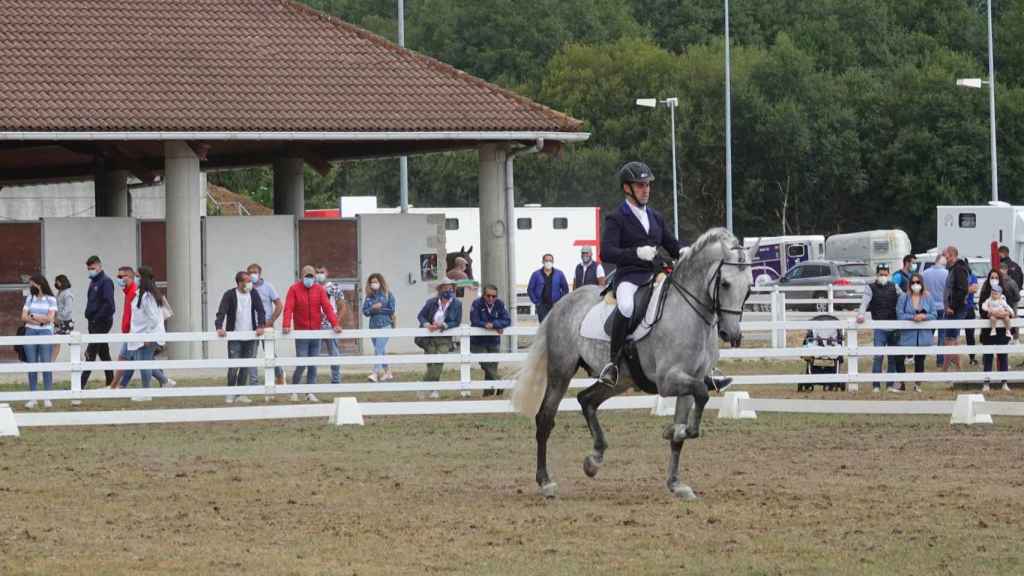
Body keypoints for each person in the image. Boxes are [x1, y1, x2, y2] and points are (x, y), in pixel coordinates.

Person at [597, 161, 696, 388]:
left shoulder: (655, 217)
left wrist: (684, 250)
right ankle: (613, 364)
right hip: (629, 277)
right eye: (640, 185)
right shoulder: (617, 217)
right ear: (627, 188)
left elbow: (671, 243)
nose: (646, 189)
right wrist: (636, 253)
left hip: (657, 276)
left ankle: (698, 363)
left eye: (648, 185)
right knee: (626, 307)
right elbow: (607, 252)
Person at [283, 265, 341, 402]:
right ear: (301, 277)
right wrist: (286, 324)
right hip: (301, 333)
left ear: (314, 277)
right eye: (306, 276)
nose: (309, 278)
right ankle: (294, 390)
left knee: (313, 364)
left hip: (316, 332)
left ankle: (310, 392)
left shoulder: (319, 290)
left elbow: (327, 307)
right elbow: (288, 308)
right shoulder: (294, 289)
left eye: (311, 276)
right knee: (302, 363)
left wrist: (335, 324)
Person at [113, 267, 173, 389]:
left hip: (147, 336)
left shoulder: (147, 296)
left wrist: (148, 336)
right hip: (139, 335)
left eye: (137, 276)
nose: (136, 279)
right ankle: (165, 382)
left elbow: (154, 319)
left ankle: (146, 392)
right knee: (142, 363)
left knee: (144, 364)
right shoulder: (140, 294)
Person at [215, 270, 266, 404]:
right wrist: (219, 327)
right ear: (239, 283)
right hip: (235, 335)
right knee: (233, 366)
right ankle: (230, 392)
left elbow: (260, 310)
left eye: (250, 281)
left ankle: (241, 393)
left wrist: (261, 325)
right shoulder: (229, 294)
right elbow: (222, 311)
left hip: (250, 335)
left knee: (246, 365)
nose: (250, 283)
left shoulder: (253, 293)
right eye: (247, 281)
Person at [856, 264, 902, 392]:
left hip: (894, 326)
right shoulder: (870, 288)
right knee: (878, 356)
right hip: (879, 327)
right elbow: (864, 302)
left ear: (889, 274)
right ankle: (876, 385)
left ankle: (890, 385)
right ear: (877, 274)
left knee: (893, 357)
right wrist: (860, 315)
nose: (883, 276)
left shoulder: (895, 287)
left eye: (885, 274)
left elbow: (904, 299)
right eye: (881, 274)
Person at [416, 279, 462, 392]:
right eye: (445, 288)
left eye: (450, 289)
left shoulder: (457, 303)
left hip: (444, 338)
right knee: (431, 363)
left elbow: (456, 321)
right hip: (429, 337)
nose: (448, 291)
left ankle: (422, 386)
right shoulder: (431, 302)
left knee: (438, 362)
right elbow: (421, 316)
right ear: (440, 290)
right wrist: (427, 324)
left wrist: (444, 325)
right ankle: (434, 390)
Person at [21, 274, 58, 409]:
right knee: (32, 365)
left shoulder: (51, 299)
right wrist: (38, 319)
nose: (31, 286)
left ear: (39, 284)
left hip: (45, 332)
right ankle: (33, 397)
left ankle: (48, 397)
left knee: (46, 364)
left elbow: (50, 318)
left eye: (32, 284)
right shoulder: (30, 298)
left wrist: (34, 316)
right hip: (30, 332)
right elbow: (23, 317)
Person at [897, 273, 937, 392]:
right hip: (907, 335)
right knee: (899, 358)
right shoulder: (904, 297)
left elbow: (934, 314)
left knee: (920, 360)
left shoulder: (928, 297)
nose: (915, 285)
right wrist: (912, 317)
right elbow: (899, 314)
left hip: (923, 335)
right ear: (909, 284)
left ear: (922, 284)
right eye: (913, 282)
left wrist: (924, 316)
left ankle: (917, 385)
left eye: (918, 282)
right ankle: (901, 383)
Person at [247, 263, 285, 387]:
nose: (252, 275)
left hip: (267, 325)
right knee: (251, 354)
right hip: (251, 326)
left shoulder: (268, 287)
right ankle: (253, 383)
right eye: (250, 272)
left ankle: (279, 375)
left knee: (270, 353)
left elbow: (279, 305)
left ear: (260, 273)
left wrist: (271, 321)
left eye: (255, 272)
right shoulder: (246, 287)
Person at [80, 255, 115, 389]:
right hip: (93, 322)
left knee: (90, 352)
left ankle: (80, 384)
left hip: (101, 322)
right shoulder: (93, 281)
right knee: (104, 353)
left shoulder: (105, 282)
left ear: (100, 266)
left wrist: (96, 318)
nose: (90, 270)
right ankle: (111, 382)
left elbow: (109, 305)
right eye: (89, 268)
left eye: (93, 268)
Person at [470, 284, 511, 396]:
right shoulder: (476, 303)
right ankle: (500, 382)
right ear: (483, 295)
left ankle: (488, 393)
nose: (491, 298)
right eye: (488, 296)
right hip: (478, 342)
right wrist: (485, 324)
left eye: (494, 296)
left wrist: (494, 324)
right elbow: (474, 320)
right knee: (486, 364)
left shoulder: (500, 304)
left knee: (492, 366)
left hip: (493, 340)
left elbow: (507, 320)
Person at [978, 269, 1013, 392]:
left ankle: (1004, 382)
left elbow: (1010, 309)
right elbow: (982, 310)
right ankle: (986, 383)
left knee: (1003, 355)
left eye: (996, 277)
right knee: (988, 356)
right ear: (988, 279)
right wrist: (991, 313)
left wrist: (1003, 313)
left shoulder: (1005, 293)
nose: (994, 279)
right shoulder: (984, 293)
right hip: (989, 330)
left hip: (1002, 330)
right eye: (992, 277)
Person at [361, 273, 396, 382]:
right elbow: (365, 311)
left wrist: (378, 310)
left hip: (385, 325)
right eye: (372, 282)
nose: (373, 284)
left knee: (378, 349)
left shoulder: (388, 295)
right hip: (373, 326)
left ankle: (375, 373)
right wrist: (373, 308)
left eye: (375, 282)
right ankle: (388, 372)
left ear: (380, 282)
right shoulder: (369, 297)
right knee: (381, 350)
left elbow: (391, 309)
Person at [942, 246, 971, 372]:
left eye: (945, 255)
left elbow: (962, 289)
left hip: (956, 308)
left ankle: (945, 368)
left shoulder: (958, 269)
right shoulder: (953, 268)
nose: (944, 258)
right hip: (953, 308)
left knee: (951, 340)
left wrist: (952, 306)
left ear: (952, 255)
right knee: (950, 339)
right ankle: (957, 367)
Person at [317, 265, 345, 385]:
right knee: (313, 355)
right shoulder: (312, 287)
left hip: (330, 326)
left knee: (334, 353)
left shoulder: (334, 287)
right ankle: (312, 381)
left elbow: (343, 306)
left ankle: (336, 380)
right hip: (315, 326)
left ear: (327, 273)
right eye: (317, 272)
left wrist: (336, 321)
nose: (319, 274)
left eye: (322, 272)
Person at [921, 252, 948, 366]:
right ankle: (940, 361)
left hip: (928, 307)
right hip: (942, 307)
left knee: (927, 334)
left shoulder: (924, 273)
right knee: (942, 335)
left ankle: (921, 358)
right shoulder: (947, 273)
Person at [527, 254, 569, 323]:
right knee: (544, 326)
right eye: (546, 260)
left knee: (555, 325)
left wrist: (560, 301)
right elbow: (530, 289)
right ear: (543, 262)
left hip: (555, 306)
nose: (548, 262)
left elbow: (565, 289)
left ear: (553, 262)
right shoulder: (536, 274)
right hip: (542, 306)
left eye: (550, 260)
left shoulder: (559, 274)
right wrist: (536, 302)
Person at [51, 274, 74, 362]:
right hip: (58, 322)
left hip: (66, 321)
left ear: (62, 282)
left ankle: (79, 359)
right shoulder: (60, 292)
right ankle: (52, 362)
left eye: (57, 282)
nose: (56, 284)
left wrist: (59, 318)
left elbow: (68, 309)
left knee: (72, 342)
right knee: (56, 342)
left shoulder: (67, 293)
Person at [965, 271, 979, 366]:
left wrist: (961, 289)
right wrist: (967, 289)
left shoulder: (972, 276)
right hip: (957, 309)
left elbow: (974, 289)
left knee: (970, 335)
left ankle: (972, 358)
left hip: (969, 308)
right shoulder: (954, 274)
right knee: (953, 336)